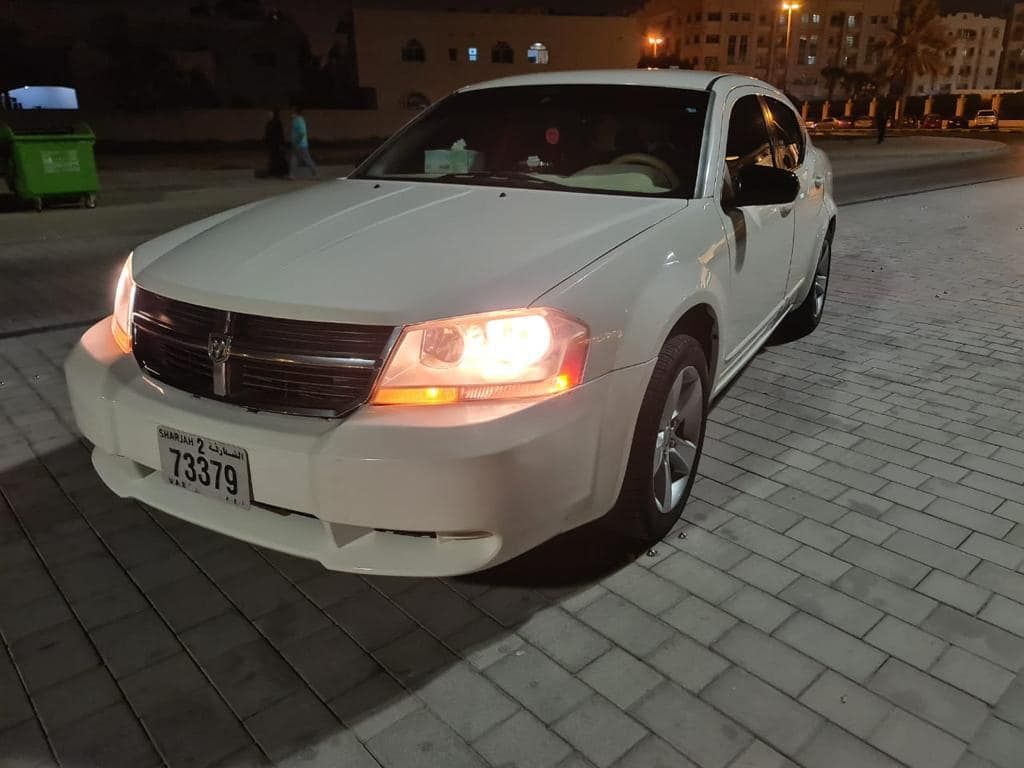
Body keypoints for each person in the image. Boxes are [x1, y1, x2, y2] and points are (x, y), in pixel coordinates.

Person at [289, 106, 319, 179]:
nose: (291, 113)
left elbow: (301, 133)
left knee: (305, 158)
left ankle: (315, 173)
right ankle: (291, 174)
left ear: (296, 112)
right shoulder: (297, 120)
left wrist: (297, 142)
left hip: (300, 144)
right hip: (300, 143)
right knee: (295, 158)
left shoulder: (298, 120)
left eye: (293, 111)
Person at [263, 109, 287, 177]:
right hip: (271, 144)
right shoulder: (269, 123)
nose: (269, 116)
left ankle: (280, 172)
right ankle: (273, 172)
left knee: (278, 158)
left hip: (277, 144)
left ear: (273, 115)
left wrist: (281, 143)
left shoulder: (277, 123)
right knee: (272, 158)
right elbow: (267, 134)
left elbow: (280, 134)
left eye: (270, 114)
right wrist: (266, 141)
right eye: (268, 114)